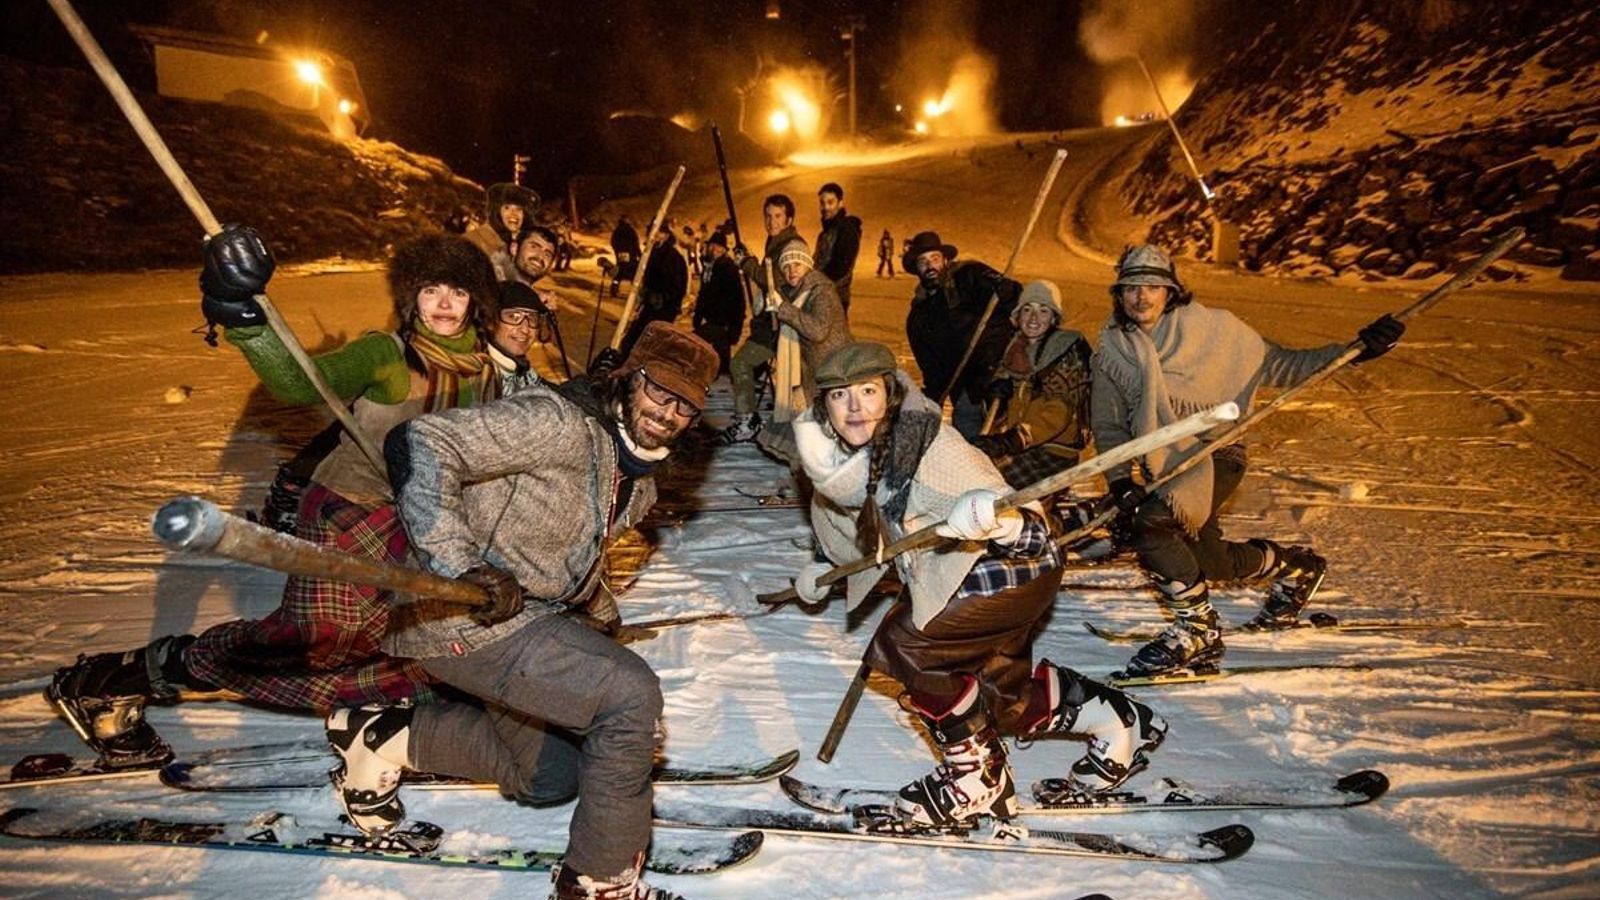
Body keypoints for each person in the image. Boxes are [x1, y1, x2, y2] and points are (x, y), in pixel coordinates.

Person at [48, 228, 502, 768]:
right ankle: (112, 678)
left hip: (420, 527)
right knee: (306, 646)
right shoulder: (388, 355)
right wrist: (241, 312)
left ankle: (396, 730)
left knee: (422, 640)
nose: (445, 304)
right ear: (412, 299)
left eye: (457, 291)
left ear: (475, 301)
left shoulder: (488, 372)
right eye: (431, 291)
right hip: (350, 511)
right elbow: (301, 382)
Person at [327, 321, 719, 900]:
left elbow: (568, 556)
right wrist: (459, 565)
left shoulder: (639, 485)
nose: (668, 410)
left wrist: (596, 615)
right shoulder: (557, 422)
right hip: (463, 614)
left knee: (551, 775)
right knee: (628, 695)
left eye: (685, 404)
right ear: (627, 378)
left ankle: (381, 734)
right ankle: (599, 884)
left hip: (523, 620)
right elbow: (420, 442)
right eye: (658, 389)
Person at [789, 341, 1166, 828]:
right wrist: (824, 570)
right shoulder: (838, 464)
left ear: (891, 393)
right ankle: (1119, 722)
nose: (856, 407)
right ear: (825, 406)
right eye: (841, 396)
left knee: (907, 644)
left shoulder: (928, 444)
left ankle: (976, 782)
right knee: (998, 695)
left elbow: (1022, 516)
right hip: (962, 574)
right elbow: (858, 538)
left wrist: (999, 521)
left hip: (1008, 563)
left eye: (868, 391)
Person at [1091, 244, 1405, 678]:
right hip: (1163, 463)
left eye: (1152, 286)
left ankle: (1197, 630)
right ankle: (1296, 568)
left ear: (1171, 292)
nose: (1141, 297)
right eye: (1131, 287)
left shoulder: (1218, 332)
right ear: (1119, 294)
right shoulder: (1113, 348)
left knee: (1153, 525)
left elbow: (1286, 365)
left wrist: (1357, 349)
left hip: (1216, 452)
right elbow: (1108, 426)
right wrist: (1120, 481)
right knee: (1208, 562)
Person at [972, 280, 1092, 489]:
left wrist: (1014, 439)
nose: (1034, 318)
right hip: (1019, 445)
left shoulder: (1065, 351)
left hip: (1052, 450)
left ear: (1054, 318)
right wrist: (993, 396)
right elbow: (999, 409)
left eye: (1043, 311)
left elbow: (1059, 411)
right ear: (1018, 317)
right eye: (1027, 310)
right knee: (971, 470)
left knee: (990, 484)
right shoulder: (1013, 348)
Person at [903, 231, 1022, 440]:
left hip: (1002, 372)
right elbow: (932, 369)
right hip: (967, 391)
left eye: (935, 258)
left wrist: (1008, 291)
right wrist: (932, 400)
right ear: (916, 269)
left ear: (945, 259)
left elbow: (1013, 300)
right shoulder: (918, 318)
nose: (930, 266)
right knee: (969, 434)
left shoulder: (970, 275)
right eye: (923, 262)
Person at [752, 239, 852, 462]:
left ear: (809, 265)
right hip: (812, 369)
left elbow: (817, 331)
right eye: (786, 266)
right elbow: (780, 299)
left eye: (797, 263)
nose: (791, 270)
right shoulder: (797, 290)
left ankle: (828, 466)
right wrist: (763, 302)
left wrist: (782, 308)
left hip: (833, 367)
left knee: (828, 423)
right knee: (808, 420)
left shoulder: (822, 291)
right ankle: (812, 463)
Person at [721, 194, 802, 443]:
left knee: (740, 364)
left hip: (782, 325)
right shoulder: (776, 242)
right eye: (768, 216)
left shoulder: (791, 245)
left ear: (789, 219)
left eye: (777, 216)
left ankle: (748, 420)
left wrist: (746, 263)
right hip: (771, 323)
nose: (771, 221)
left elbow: (776, 281)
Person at [618, 226, 689, 358]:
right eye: (652, 232)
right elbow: (639, 271)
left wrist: (663, 298)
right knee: (632, 339)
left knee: (650, 343)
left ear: (666, 236)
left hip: (664, 308)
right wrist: (619, 270)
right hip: (649, 304)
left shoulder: (673, 257)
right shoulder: (651, 252)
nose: (655, 235)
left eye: (659, 233)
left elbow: (678, 285)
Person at [692, 231, 745, 375]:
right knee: (720, 361)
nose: (716, 250)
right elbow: (703, 294)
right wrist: (698, 315)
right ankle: (722, 381)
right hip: (713, 320)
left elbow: (738, 300)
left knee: (693, 342)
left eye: (720, 247)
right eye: (714, 246)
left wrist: (736, 327)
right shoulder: (709, 268)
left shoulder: (728, 269)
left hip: (723, 324)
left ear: (724, 250)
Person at [465, 183, 540, 281]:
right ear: (497, 212)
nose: (513, 214)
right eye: (507, 208)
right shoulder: (475, 240)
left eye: (519, 209)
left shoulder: (514, 245)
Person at [813, 182, 862, 315]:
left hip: (834, 297)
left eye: (830, 202)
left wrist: (815, 283)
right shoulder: (826, 233)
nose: (825, 207)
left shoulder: (847, 230)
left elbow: (841, 266)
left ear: (840, 203)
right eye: (822, 203)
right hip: (822, 294)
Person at [489, 283, 548, 394]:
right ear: (490, 321)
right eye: (513, 317)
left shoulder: (520, 368)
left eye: (532, 318)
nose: (525, 329)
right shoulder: (479, 377)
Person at [609, 215, 642, 298]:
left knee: (619, 273)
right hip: (631, 255)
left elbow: (613, 242)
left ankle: (614, 289)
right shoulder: (631, 231)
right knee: (633, 273)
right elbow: (635, 244)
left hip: (620, 255)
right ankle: (635, 292)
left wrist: (617, 251)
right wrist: (639, 254)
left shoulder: (617, 231)